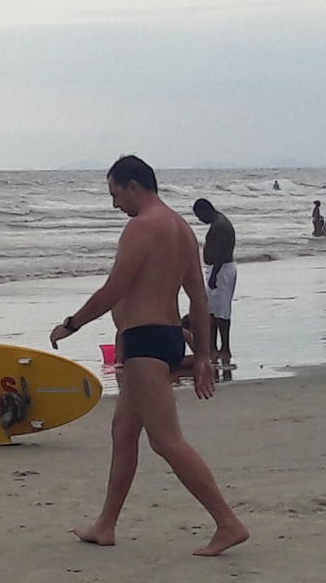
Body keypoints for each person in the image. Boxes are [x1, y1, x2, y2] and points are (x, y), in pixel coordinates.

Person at [49, 155, 248, 557]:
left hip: (145, 343)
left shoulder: (141, 227)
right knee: (123, 431)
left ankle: (228, 522)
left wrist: (72, 324)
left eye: (115, 194)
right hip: (168, 339)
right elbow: (198, 298)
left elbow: (113, 290)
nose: (114, 204)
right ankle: (105, 525)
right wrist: (202, 355)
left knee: (166, 440)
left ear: (133, 186)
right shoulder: (181, 228)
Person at [192, 198, 237, 365]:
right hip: (218, 269)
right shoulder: (218, 223)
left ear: (206, 210)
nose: (200, 220)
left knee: (222, 312)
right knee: (212, 311)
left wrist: (214, 274)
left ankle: (224, 348)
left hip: (222, 270)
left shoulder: (220, 225)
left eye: (199, 216)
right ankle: (214, 347)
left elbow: (221, 252)